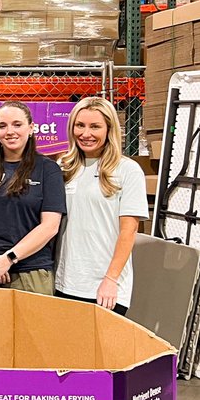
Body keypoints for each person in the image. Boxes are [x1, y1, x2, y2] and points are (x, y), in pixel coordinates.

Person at [56, 97, 148, 315]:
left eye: (95, 127)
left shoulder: (128, 170)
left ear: (109, 129)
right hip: (65, 281)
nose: (85, 134)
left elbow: (129, 230)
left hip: (105, 286)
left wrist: (110, 279)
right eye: (80, 125)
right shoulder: (64, 167)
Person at [0, 100, 66, 295]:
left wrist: (8, 259)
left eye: (17, 124)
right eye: (2, 126)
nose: (10, 131)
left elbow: (50, 226)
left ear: (31, 128)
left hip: (29, 272)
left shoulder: (47, 170)